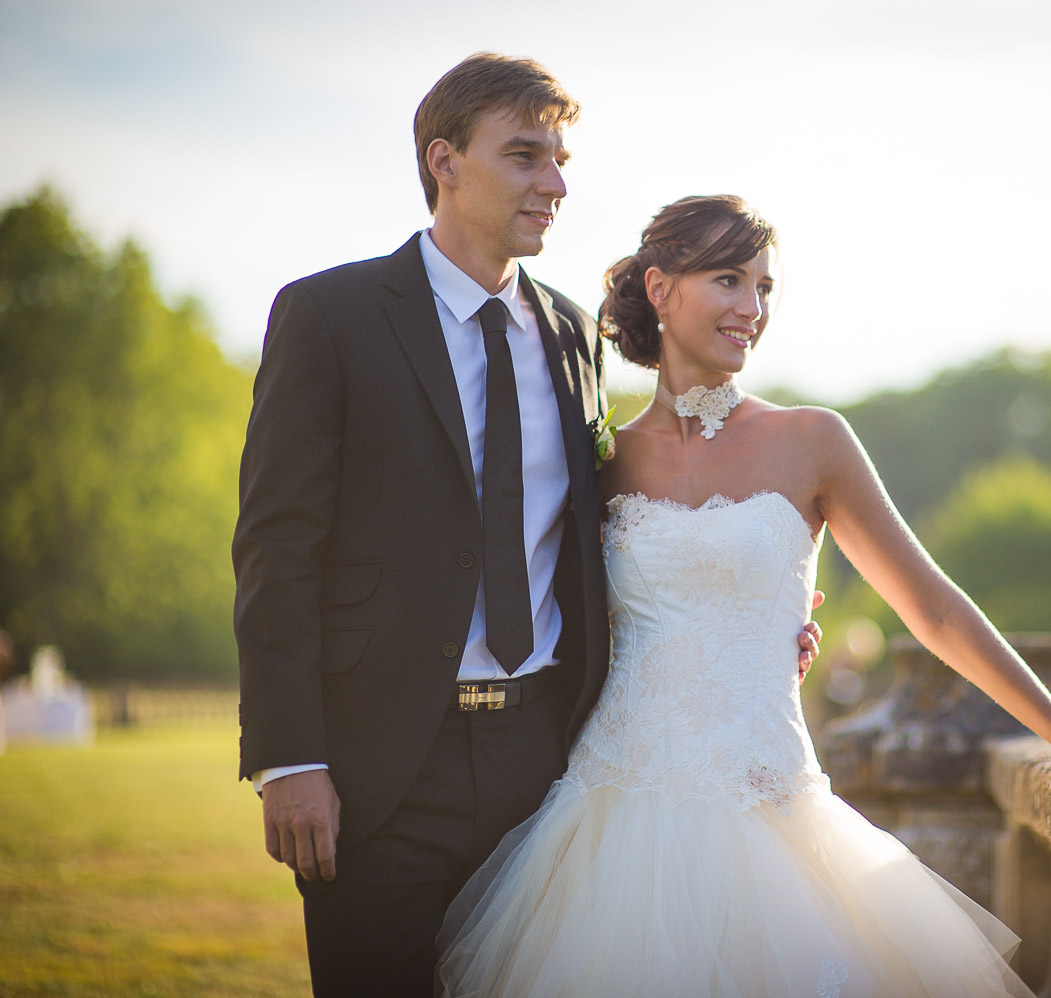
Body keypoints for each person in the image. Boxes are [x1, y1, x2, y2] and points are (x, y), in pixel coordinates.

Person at [435, 195, 1051, 997]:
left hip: (771, 809)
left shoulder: (812, 441)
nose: (754, 309)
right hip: (607, 820)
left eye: (766, 288)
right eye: (729, 280)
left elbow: (933, 607)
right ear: (661, 289)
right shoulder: (601, 460)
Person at [232, 56, 824, 995]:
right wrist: (287, 757)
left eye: (560, 159)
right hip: (378, 766)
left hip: (548, 766)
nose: (554, 184)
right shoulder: (330, 315)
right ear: (445, 162)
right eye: (524, 156)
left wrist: (748, 612)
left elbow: (593, 535)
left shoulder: (569, 332)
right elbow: (277, 548)